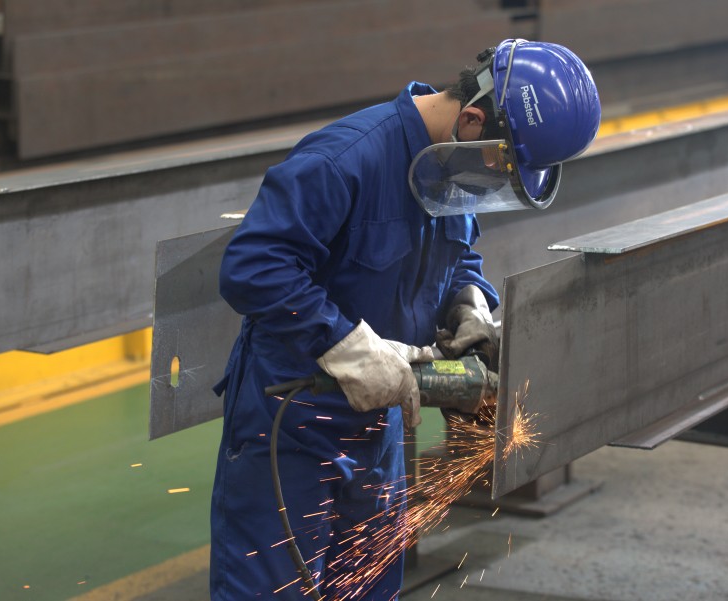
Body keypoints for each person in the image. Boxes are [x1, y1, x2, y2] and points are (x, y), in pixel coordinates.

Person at [210, 38, 601, 600]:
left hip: (379, 423)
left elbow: (457, 255)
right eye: (501, 167)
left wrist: (469, 302)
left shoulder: (456, 163)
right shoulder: (346, 159)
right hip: (292, 422)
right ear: (472, 121)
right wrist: (345, 345)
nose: (494, 182)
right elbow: (253, 267)